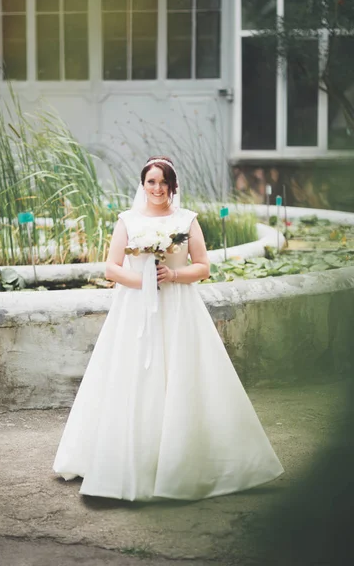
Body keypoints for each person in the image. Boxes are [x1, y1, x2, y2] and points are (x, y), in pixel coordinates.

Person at [53, 156, 284, 501]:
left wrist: (173, 275)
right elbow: (112, 268)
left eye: (164, 182)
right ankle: (120, 461)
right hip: (134, 308)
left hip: (178, 308)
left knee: (184, 375)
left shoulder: (186, 220)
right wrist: (144, 281)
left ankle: (185, 463)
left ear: (172, 185)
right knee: (130, 376)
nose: (158, 188)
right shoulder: (127, 220)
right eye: (151, 182)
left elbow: (203, 267)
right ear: (142, 184)